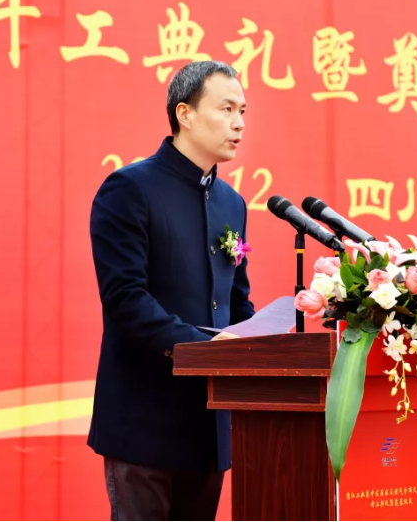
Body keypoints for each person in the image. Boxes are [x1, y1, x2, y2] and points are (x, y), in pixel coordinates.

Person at [87, 61, 256, 521]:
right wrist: (204, 350)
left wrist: (263, 344)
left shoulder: (232, 203)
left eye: (242, 111)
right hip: (144, 422)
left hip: (209, 426)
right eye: (226, 109)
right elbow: (125, 297)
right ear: (185, 114)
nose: (239, 123)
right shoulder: (129, 189)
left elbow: (237, 302)